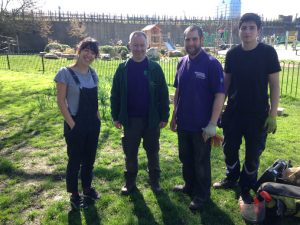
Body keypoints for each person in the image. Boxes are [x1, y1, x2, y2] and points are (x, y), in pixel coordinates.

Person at [213, 13, 281, 204]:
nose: (247, 32)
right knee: (229, 150)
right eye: (244, 28)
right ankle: (231, 177)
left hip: (258, 115)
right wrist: (218, 112)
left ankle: (247, 183)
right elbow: (225, 86)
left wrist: (273, 114)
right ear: (239, 30)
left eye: (252, 28)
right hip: (234, 113)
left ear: (258, 31)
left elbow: (274, 85)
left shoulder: (268, 53)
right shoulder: (232, 54)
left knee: (253, 153)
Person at [170, 25, 225, 210]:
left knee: (201, 160)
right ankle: (189, 186)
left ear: (201, 40)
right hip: (184, 122)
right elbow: (178, 90)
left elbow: (219, 95)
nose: (191, 43)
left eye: (194, 39)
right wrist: (174, 114)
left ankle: (202, 194)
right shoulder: (182, 62)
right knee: (185, 157)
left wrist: (212, 124)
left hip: (202, 126)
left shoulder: (211, 63)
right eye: (187, 39)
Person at [110, 31, 170, 195]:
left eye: (142, 45)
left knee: (153, 152)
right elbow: (114, 94)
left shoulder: (155, 68)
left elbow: (163, 94)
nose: (138, 49)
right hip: (130, 121)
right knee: (130, 153)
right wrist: (115, 116)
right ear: (129, 45)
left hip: (151, 120)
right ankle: (130, 183)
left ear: (147, 46)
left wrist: (165, 116)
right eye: (135, 45)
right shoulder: (122, 69)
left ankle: (155, 182)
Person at [55, 37, 101, 210]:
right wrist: (72, 125)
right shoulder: (65, 73)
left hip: (92, 124)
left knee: (89, 160)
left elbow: (94, 100)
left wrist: (98, 119)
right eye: (86, 50)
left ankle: (87, 188)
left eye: (92, 52)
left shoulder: (93, 74)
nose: (88, 55)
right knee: (74, 160)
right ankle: (74, 194)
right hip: (75, 124)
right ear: (79, 51)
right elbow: (61, 102)